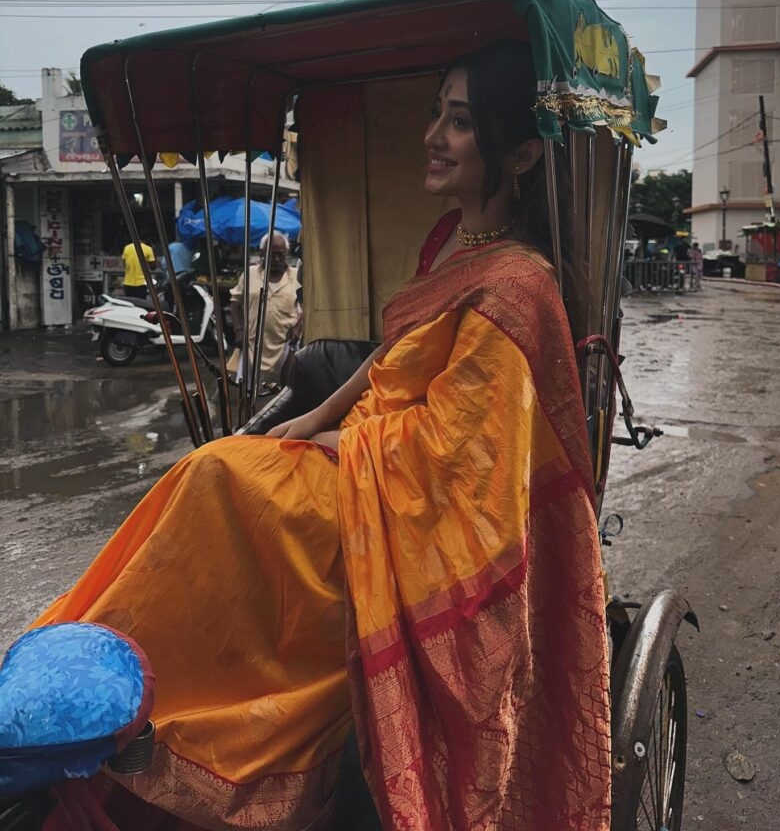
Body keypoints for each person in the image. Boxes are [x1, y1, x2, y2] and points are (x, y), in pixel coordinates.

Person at [28, 42, 610, 831]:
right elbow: (388, 357)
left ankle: (186, 723)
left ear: (520, 152)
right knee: (215, 469)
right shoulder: (449, 244)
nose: (434, 133)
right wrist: (308, 420)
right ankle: (94, 685)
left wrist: (344, 447)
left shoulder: (521, 285)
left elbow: (463, 456)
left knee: (221, 482)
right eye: (436, 111)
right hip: (371, 460)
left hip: (415, 508)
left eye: (461, 121)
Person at [229, 232, 301, 383]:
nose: (276, 259)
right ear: (262, 253)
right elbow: (235, 302)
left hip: (285, 344)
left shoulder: (296, 276)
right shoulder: (250, 274)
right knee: (246, 392)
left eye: (280, 255)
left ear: (286, 254)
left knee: (288, 389)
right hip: (252, 344)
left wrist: (298, 328)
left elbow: (308, 306)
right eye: (271, 254)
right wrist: (238, 330)